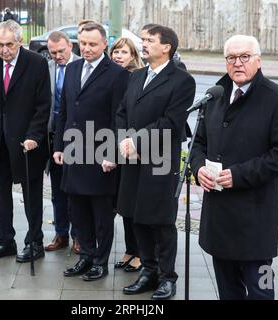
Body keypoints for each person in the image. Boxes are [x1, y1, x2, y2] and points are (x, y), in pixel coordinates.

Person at [189, 35, 278, 300]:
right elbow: (197, 144)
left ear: (258, 60)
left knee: (261, 289)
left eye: (244, 57)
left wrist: (239, 175)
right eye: (231, 58)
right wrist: (198, 169)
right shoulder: (214, 96)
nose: (237, 63)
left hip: (256, 217)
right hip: (219, 215)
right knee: (228, 290)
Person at [117, 25, 196, 300]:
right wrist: (124, 141)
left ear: (167, 47)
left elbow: (171, 122)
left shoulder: (182, 81)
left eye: (150, 40)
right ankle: (148, 272)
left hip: (160, 161)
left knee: (160, 221)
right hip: (133, 160)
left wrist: (137, 141)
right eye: (143, 40)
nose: (144, 44)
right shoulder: (137, 76)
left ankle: (167, 277)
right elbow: (122, 112)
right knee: (137, 216)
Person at [53, 23, 129, 281]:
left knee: (101, 214)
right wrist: (59, 147)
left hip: (100, 156)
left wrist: (113, 154)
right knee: (78, 211)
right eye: (83, 43)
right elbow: (64, 111)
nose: (86, 48)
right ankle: (85, 256)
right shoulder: (72, 68)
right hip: (73, 153)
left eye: (92, 44)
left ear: (105, 45)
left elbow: (119, 118)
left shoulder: (117, 74)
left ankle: (100, 261)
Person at [0, 20, 51, 262]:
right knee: (1, 194)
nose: (4, 50)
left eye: (9, 44)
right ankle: (6, 240)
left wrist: (34, 136)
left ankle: (34, 242)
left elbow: (43, 106)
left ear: (19, 41)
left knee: (31, 196)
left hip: (27, 144)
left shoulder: (37, 63)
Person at [44, 31, 81, 254]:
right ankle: (60, 233)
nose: (57, 56)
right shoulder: (47, 68)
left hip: (76, 136)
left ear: (70, 46)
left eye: (61, 51)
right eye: (53, 52)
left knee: (75, 190)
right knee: (57, 190)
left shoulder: (82, 65)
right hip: (53, 135)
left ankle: (79, 235)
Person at [109, 37, 144, 273]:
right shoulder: (113, 75)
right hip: (118, 143)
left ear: (133, 55)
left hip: (136, 147)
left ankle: (140, 252)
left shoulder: (136, 76)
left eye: (123, 52)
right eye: (115, 52)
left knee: (135, 204)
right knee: (123, 204)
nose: (118, 56)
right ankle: (130, 249)